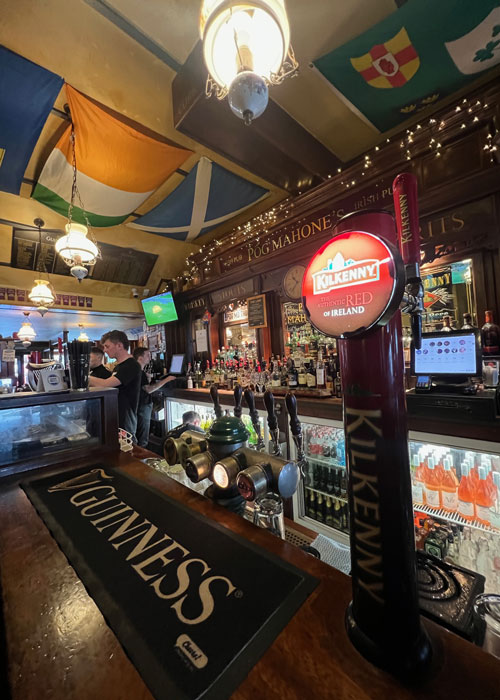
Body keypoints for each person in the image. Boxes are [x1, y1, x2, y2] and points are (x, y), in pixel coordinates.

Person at [88, 330, 142, 439]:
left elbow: (106, 384)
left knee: (128, 450)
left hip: (126, 419)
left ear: (119, 345)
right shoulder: (119, 366)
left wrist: (85, 377)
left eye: (107, 346)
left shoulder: (131, 365)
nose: (105, 350)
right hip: (116, 416)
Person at [132, 347, 176, 448]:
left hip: (137, 406)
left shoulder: (137, 371)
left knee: (139, 434)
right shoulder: (140, 372)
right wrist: (167, 379)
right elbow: (149, 389)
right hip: (142, 406)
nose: (150, 358)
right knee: (142, 438)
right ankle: (141, 460)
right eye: (147, 355)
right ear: (140, 358)